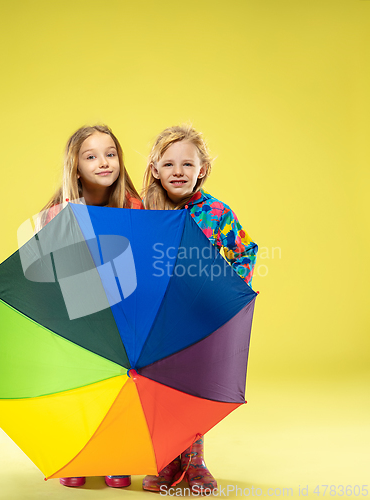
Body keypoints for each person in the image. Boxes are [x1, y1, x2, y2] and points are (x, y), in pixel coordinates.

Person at [141, 124, 258, 492]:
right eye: (169, 164)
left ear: (202, 169)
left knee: (195, 388)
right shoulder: (145, 211)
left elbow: (245, 251)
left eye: (187, 164)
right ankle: (166, 459)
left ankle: (195, 461)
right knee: (160, 388)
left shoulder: (217, 212)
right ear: (156, 169)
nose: (179, 171)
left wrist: (225, 291)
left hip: (203, 319)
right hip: (158, 319)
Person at [39, 124, 143, 488]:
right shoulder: (57, 212)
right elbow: (43, 270)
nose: (104, 162)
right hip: (77, 313)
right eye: (92, 156)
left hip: (123, 308)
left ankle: (115, 453)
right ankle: (76, 452)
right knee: (79, 382)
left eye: (110, 153)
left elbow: (141, 257)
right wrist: (65, 228)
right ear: (75, 167)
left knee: (118, 384)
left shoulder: (133, 205)